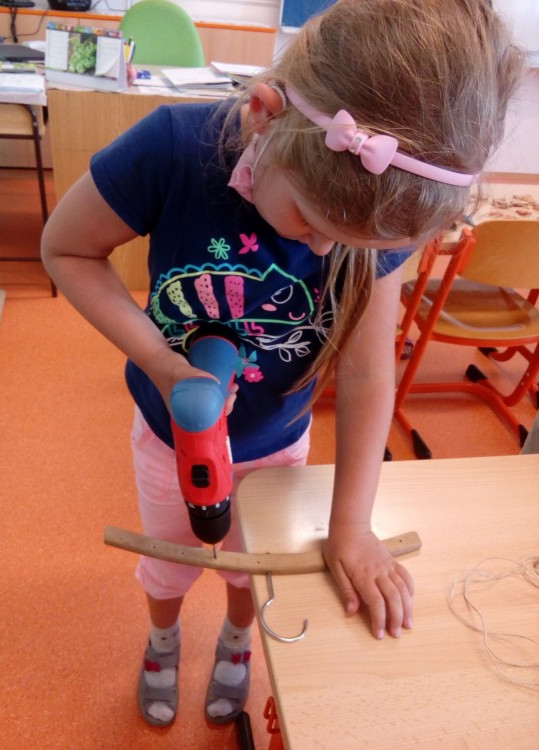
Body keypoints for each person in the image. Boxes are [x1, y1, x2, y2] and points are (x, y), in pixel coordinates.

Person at [41, 0, 521, 728]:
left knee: (251, 567)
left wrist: (351, 524)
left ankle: (237, 638)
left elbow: (366, 373)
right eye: (311, 222)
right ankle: (163, 638)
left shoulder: (376, 210)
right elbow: (67, 249)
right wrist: (163, 366)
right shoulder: (173, 149)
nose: (323, 252)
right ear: (264, 117)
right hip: (171, 437)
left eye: (351, 245)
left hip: (279, 443)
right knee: (170, 562)